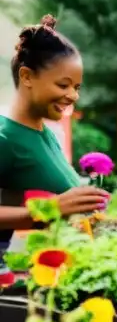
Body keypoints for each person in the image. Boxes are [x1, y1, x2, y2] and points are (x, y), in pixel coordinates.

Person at [0, 16, 109, 243]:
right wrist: (51, 208)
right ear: (27, 76)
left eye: (76, 87)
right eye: (63, 85)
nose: (73, 95)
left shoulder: (46, 134)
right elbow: (53, 208)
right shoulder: (6, 137)